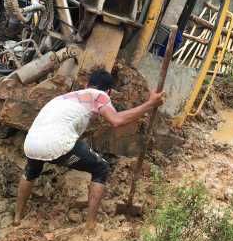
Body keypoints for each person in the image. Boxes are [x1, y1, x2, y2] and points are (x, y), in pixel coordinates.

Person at [14, 68, 165, 229]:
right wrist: (150, 104)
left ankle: (17, 217)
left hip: (31, 142)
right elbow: (116, 120)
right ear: (109, 91)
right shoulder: (100, 95)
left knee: (32, 171)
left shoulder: (66, 97)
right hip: (56, 142)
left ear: (87, 84)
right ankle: (90, 225)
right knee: (101, 168)